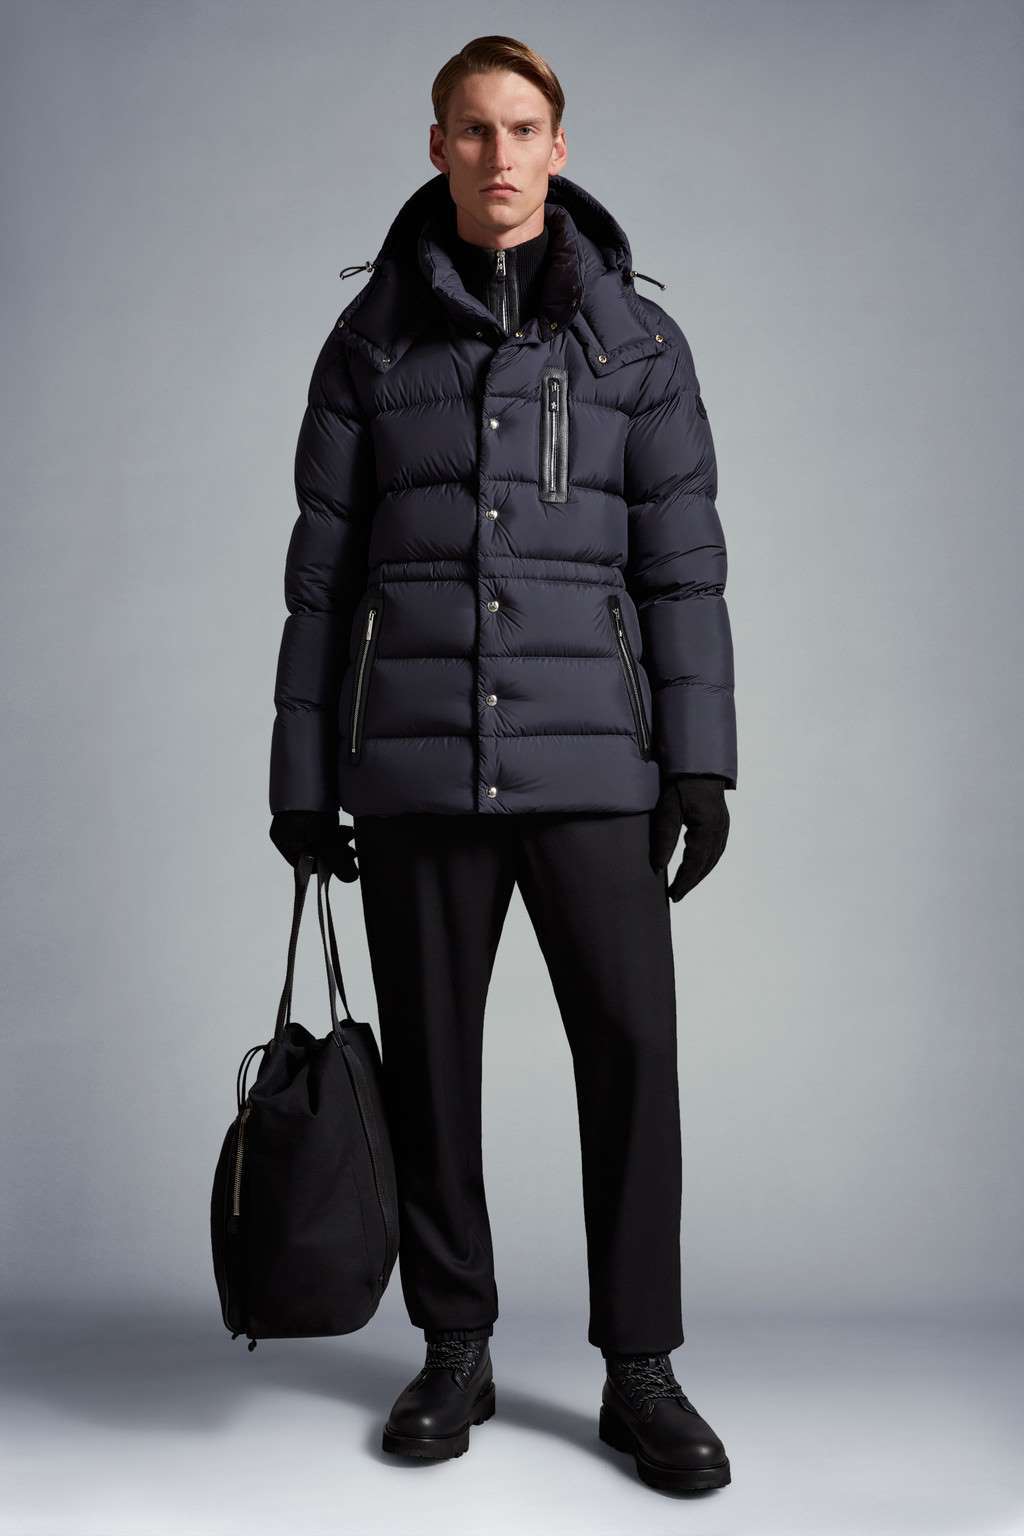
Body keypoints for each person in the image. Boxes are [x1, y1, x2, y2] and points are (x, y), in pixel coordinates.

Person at [268, 35, 737, 1494]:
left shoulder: (638, 348)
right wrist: (300, 776)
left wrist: (702, 762)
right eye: (472, 130)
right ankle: (454, 1347)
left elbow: (682, 567)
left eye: (522, 128)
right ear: (437, 148)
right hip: (416, 771)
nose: (499, 155)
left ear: (559, 145)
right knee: (432, 1074)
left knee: (634, 1060)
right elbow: (320, 579)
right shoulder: (369, 347)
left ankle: (641, 1368)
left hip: (597, 765)